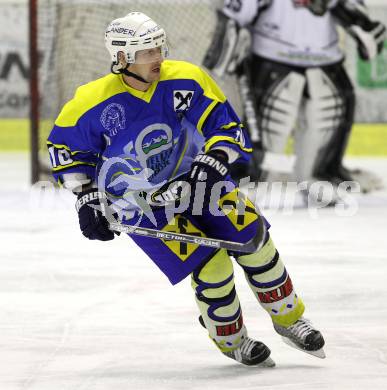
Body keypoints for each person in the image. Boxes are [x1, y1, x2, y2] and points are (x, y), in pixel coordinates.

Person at [47, 11, 325, 367]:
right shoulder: (91, 102)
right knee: (213, 267)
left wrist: (211, 164)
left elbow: (225, 126)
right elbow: (67, 153)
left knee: (255, 241)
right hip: (141, 205)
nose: (158, 58)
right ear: (122, 58)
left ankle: (290, 320)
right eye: (148, 52)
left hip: (197, 183)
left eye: (159, 48)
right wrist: (87, 199)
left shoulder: (185, 78)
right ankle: (233, 340)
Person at [204, 0, 386, 196]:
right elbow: (235, 16)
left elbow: (350, 9)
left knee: (326, 117)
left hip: (326, 62)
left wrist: (363, 24)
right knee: (269, 142)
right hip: (272, 61)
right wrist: (222, 55)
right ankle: (252, 177)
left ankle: (319, 175)